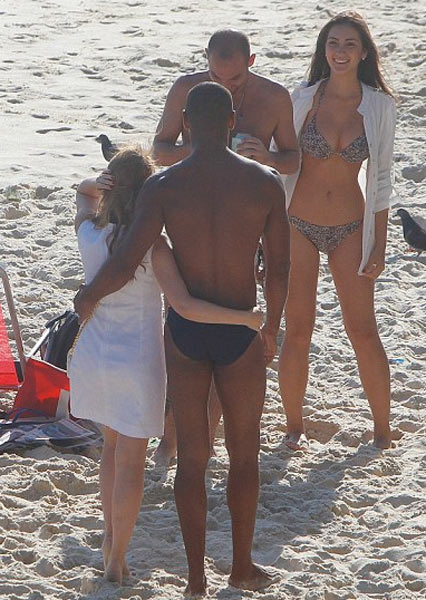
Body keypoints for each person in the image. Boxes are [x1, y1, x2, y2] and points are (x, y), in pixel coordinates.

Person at [74, 82, 290, 596]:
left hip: (187, 334)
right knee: (244, 454)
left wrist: (87, 297)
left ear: (187, 125)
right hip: (238, 327)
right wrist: (270, 327)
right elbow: (280, 268)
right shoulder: (264, 182)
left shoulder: (165, 186)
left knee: (192, 457)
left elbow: (126, 261)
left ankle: (195, 579)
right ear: (232, 122)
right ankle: (241, 567)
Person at [152, 28, 299, 467]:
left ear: (252, 62)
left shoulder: (275, 97)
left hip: (244, 222)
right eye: (218, 77)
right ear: (206, 61)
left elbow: (293, 159)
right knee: (185, 328)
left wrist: (265, 159)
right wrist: (204, 150)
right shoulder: (187, 89)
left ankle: (207, 436)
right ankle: (171, 439)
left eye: (236, 80)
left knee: (230, 331)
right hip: (193, 220)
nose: (227, 88)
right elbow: (159, 149)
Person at [278, 11, 396, 451]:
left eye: (349, 44)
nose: (340, 52)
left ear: (363, 53)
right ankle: (294, 426)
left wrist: (378, 245)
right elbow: (281, 162)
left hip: (351, 228)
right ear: (323, 50)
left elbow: (381, 179)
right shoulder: (302, 98)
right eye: (333, 43)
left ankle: (382, 428)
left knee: (363, 330)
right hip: (296, 224)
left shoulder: (379, 107)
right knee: (298, 330)